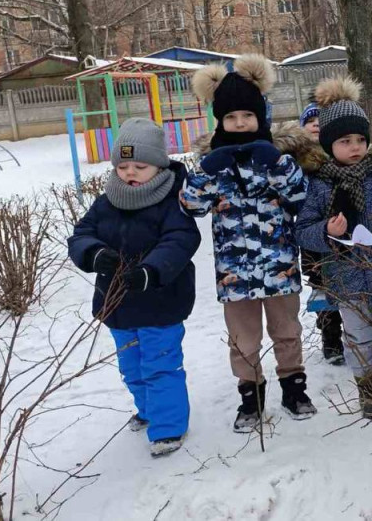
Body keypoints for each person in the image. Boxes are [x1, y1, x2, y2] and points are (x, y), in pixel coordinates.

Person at [180, 54, 317, 432]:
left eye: (247, 117)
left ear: (261, 118)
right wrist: (205, 170)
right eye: (231, 118)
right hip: (235, 275)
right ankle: (250, 395)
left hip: (280, 268)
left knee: (287, 330)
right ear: (219, 121)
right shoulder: (213, 166)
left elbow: (299, 198)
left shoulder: (276, 159)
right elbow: (191, 206)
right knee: (243, 339)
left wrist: (277, 163)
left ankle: (294, 387)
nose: (240, 124)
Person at [68, 118, 200, 457]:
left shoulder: (174, 200)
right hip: (118, 306)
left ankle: (168, 427)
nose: (130, 172)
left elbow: (180, 239)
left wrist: (151, 272)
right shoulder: (107, 201)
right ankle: (148, 409)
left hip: (160, 302)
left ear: (158, 166)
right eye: (123, 165)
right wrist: (94, 254)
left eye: (140, 166)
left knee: (159, 364)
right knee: (131, 368)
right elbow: (82, 235)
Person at [296, 78, 372, 420]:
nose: (355, 147)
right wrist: (326, 230)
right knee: (359, 336)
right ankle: (368, 385)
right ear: (328, 144)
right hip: (347, 278)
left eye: (360, 139)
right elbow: (302, 231)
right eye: (345, 141)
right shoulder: (321, 185)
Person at [299, 100, 345, 365]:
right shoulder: (297, 161)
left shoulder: (339, 151)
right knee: (322, 288)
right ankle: (331, 338)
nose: (316, 124)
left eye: (320, 120)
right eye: (310, 121)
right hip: (313, 238)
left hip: (342, 229)